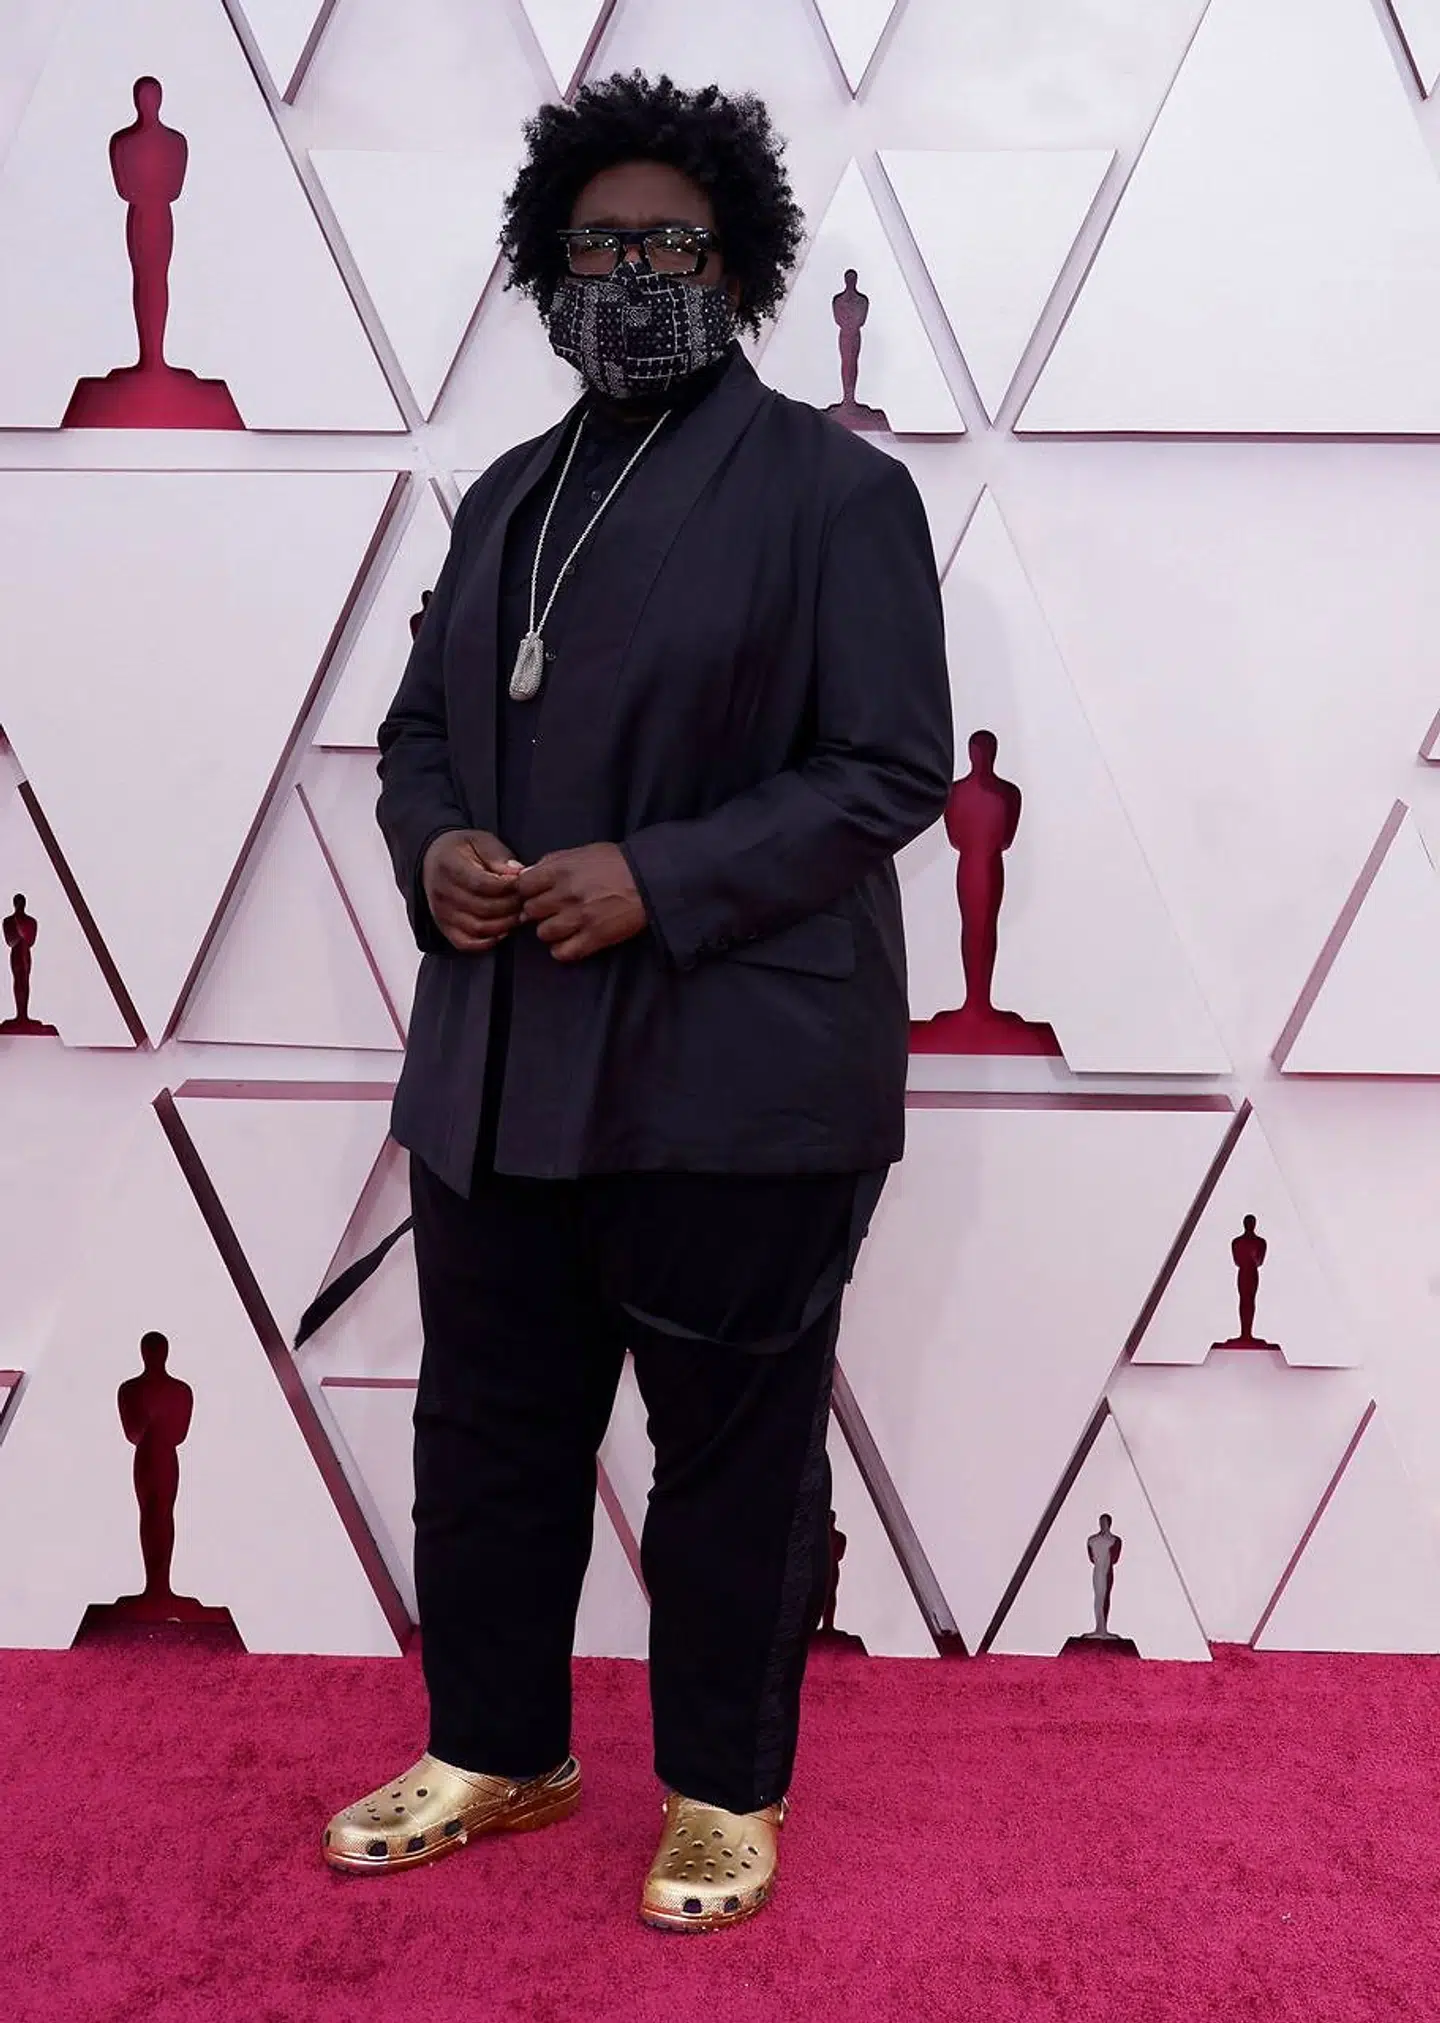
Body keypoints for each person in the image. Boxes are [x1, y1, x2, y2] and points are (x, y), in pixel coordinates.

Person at [322, 71, 952, 1933]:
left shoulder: (842, 492)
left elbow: (888, 768)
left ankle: (723, 1790)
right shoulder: (512, 492)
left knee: (732, 1466)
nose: (632, 273)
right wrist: (437, 845)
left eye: (671, 241)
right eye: (597, 245)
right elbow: (426, 725)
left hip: (735, 1078)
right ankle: (500, 1744)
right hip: (500, 1070)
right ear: (547, 265)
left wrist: (655, 878)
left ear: (740, 257)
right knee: (487, 1439)